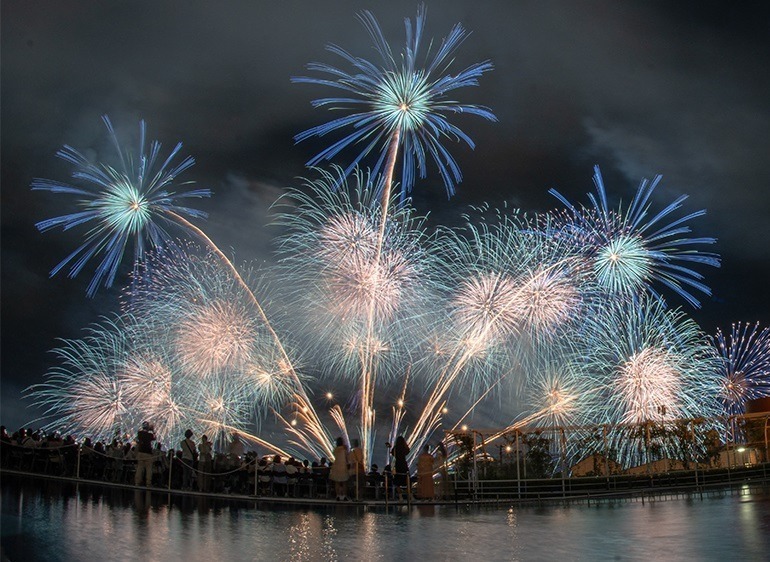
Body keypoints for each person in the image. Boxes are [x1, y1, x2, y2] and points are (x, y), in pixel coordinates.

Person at [134, 421, 156, 487]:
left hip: (141, 452)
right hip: (148, 453)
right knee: (149, 468)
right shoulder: (150, 435)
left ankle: (137, 482)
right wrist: (153, 431)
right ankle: (148, 483)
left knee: (139, 468)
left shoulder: (139, 433)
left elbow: (137, 439)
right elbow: (154, 438)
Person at [390, 435, 410, 501]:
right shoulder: (404, 448)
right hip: (403, 464)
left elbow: (392, 453)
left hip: (398, 464)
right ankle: (410, 496)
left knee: (397, 482)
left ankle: (400, 497)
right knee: (407, 480)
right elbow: (408, 451)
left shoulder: (395, 448)